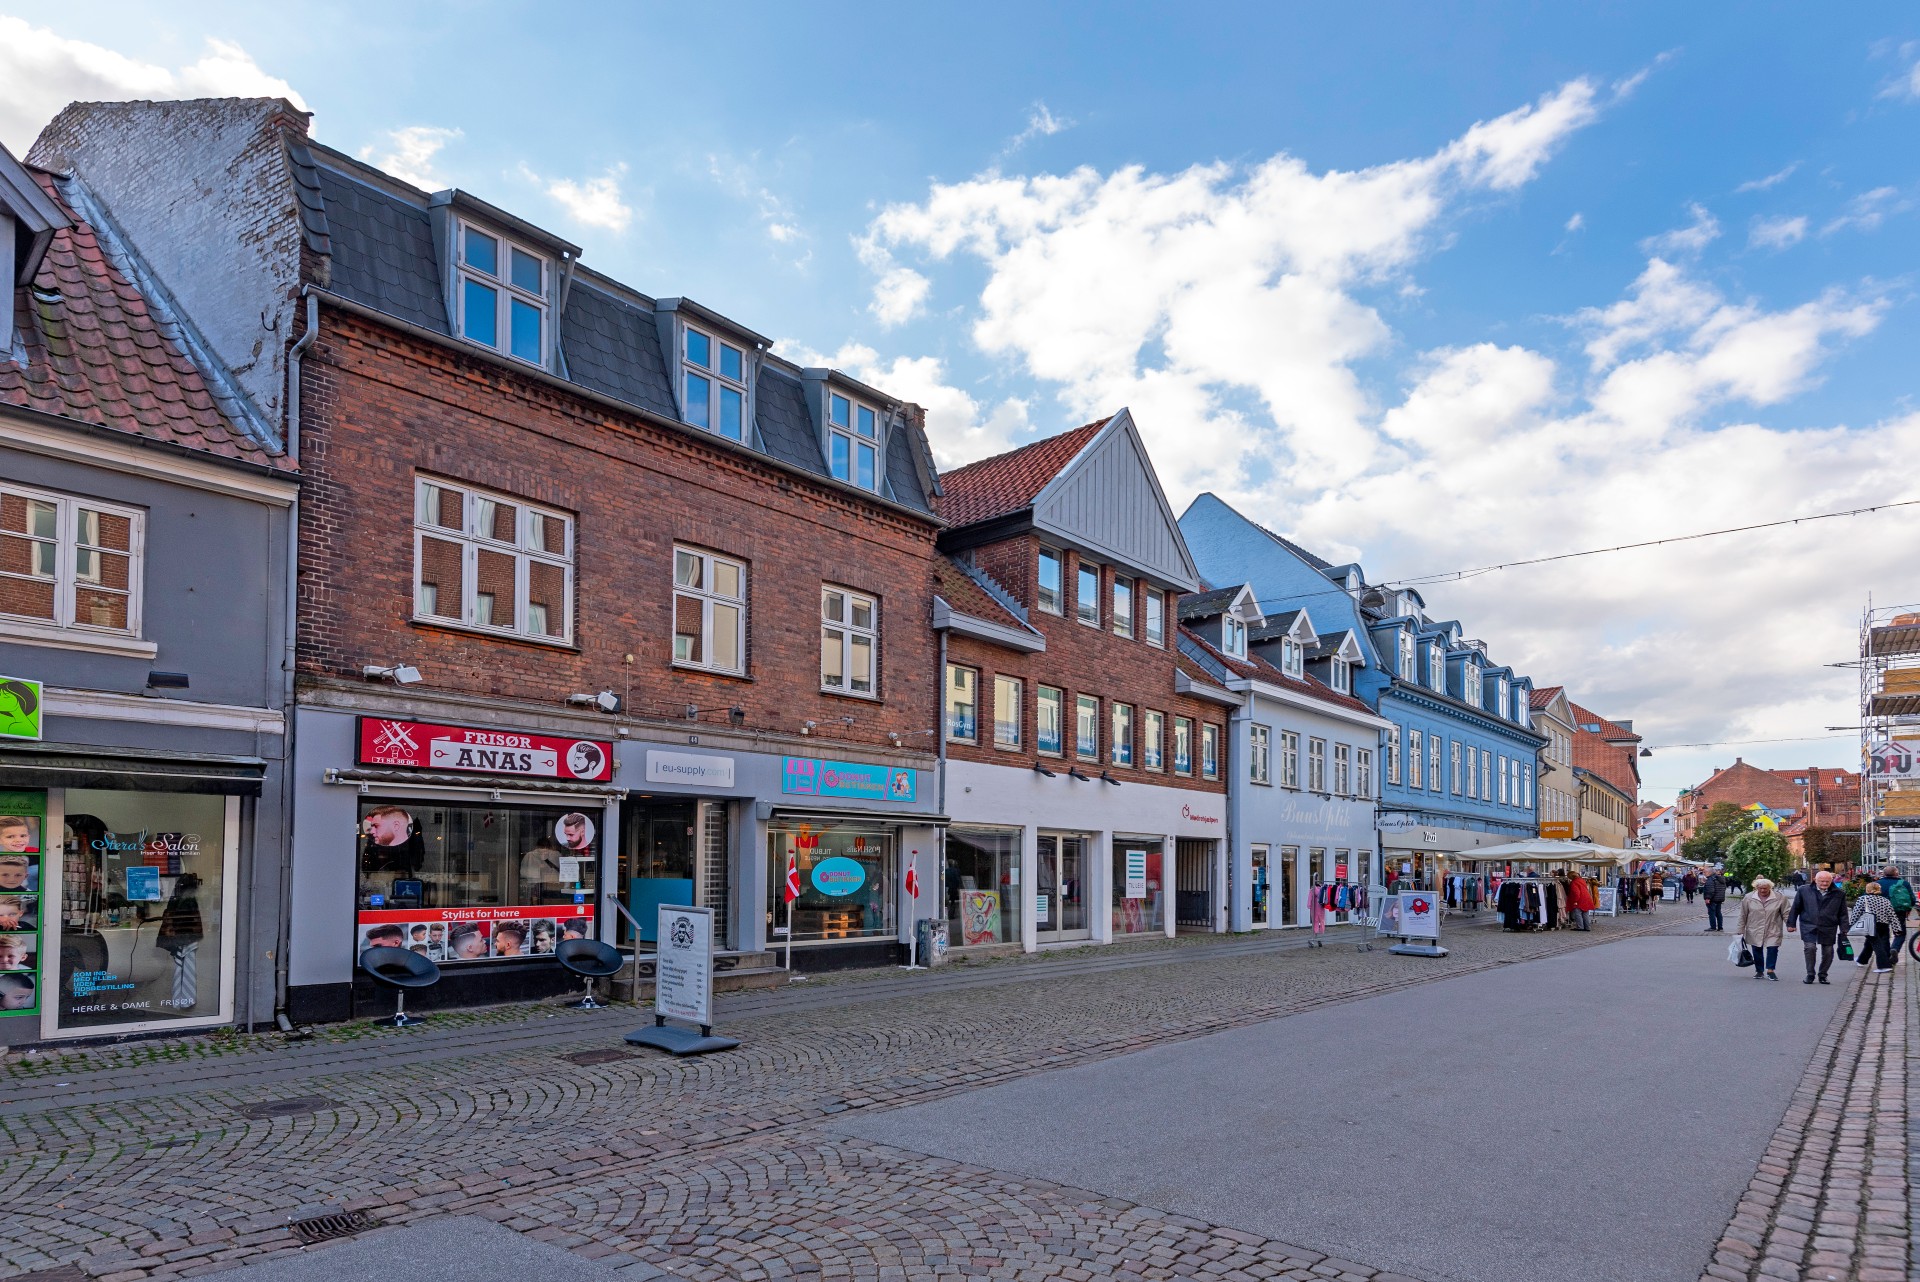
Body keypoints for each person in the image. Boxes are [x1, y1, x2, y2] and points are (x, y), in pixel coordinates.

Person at [1786, 869, 1849, 985]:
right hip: (1808, 924)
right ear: (1815, 880)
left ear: (1831, 881)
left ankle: (1823, 974)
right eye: (1822, 881)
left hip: (1829, 925)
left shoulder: (1838, 893)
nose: (1824, 884)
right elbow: (1796, 908)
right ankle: (1810, 974)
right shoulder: (1804, 890)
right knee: (1810, 948)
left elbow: (1843, 913)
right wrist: (1791, 924)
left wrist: (1844, 928)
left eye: (1827, 881)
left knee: (1828, 951)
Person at [1737, 877, 1789, 981]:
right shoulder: (1748, 897)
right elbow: (1743, 915)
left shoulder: (1780, 897)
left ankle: (1770, 970)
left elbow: (1786, 912)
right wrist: (1740, 930)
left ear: (1770, 887)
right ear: (1756, 888)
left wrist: (1790, 924)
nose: (1763, 890)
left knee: (1773, 948)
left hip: (1773, 927)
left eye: (1765, 888)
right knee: (1757, 949)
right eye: (1760, 888)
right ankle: (1759, 971)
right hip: (1754, 928)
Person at [1848, 881, 1899, 975]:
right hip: (1884, 925)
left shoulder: (1863, 899)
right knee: (1871, 944)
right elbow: (1892, 915)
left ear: (1868, 889)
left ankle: (1884, 966)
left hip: (1870, 924)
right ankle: (1861, 960)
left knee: (1877, 944)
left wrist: (1850, 925)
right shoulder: (1885, 900)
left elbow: (1856, 913)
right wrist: (1897, 928)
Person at [1878, 864, 1914, 943]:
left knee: (1883, 933)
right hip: (1899, 910)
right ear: (1896, 873)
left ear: (1884, 874)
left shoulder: (1877, 883)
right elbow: (1912, 898)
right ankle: (1895, 948)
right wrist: (1909, 909)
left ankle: (1886, 954)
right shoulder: (1904, 883)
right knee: (1900, 933)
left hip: (1881, 911)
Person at [1702, 868, 1727, 932]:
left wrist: (1708, 898)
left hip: (1713, 899)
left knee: (1712, 913)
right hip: (1719, 899)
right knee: (1718, 913)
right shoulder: (1720, 878)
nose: (1704, 874)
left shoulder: (1711, 879)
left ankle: (1713, 927)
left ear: (1709, 872)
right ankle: (1720, 927)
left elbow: (1710, 889)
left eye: (1705, 872)